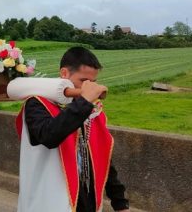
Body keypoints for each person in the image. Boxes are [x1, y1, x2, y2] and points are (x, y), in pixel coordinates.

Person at [17, 47, 129, 212]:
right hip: (49, 200)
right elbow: (49, 136)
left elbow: (102, 156)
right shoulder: (37, 104)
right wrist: (84, 101)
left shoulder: (90, 109)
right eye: (83, 81)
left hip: (85, 200)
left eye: (93, 82)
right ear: (64, 73)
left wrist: (119, 202)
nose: (88, 88)